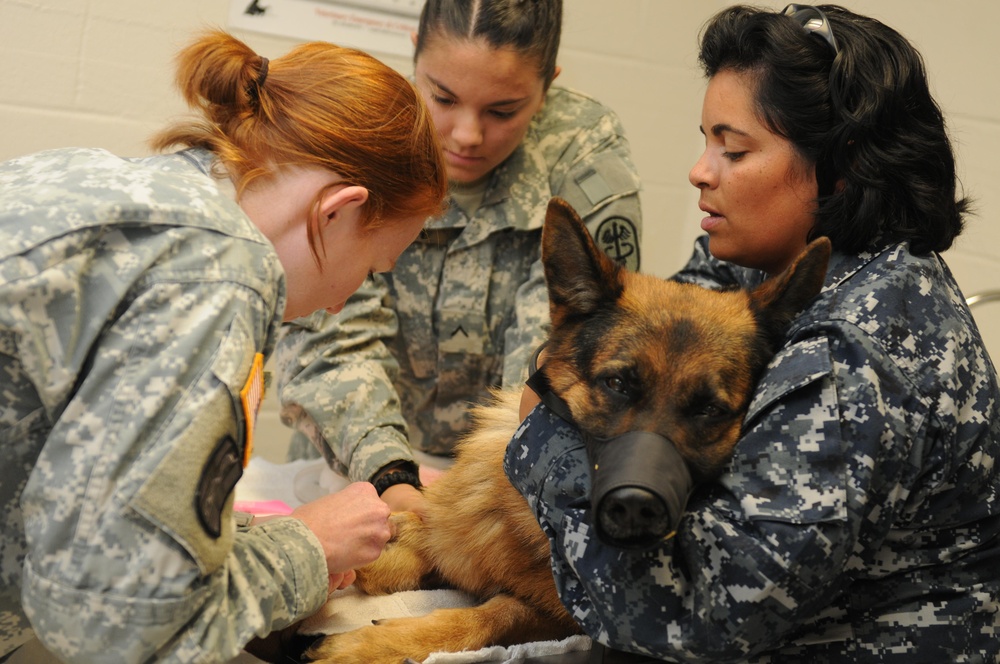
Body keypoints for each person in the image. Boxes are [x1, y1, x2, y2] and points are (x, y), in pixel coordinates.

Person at [506, 4, 1000, 661]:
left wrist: (545, 441)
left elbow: (690, 617)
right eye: (705, 141)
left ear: (840, 164)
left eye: (733, 149)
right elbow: (659, 337)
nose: (700, 171)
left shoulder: (855, 353)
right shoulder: (767, 261)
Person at [0, 30, 446, 662]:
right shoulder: (215, 276)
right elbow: (122, 631)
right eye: (372, 269)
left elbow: (81, 506)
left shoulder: (112, 185)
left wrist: (221, 542)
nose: (344, 302)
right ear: (337, 212)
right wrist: (306, 548)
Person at [273, 0, 643, 514]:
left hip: (508, 473)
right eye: (442, 97)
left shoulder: (582, 151)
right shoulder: (361, 129)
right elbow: (328, 333)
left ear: (548, 83)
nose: (467, 135)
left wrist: (488, 485)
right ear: (415, 56)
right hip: (358, 465)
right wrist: (390, 477)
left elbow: (568, 346)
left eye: (503, 110)